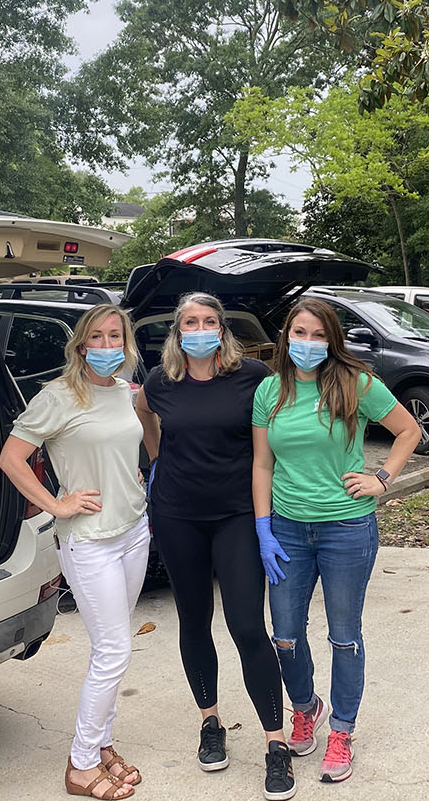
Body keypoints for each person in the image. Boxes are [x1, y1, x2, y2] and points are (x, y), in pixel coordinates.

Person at [251, 296, 422, 785]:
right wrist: (263, 527)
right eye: (299, 333)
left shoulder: (355, 383)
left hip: (346, 527)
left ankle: (342, 730)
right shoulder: (270, 390)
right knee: (284, 632)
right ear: (286, 337)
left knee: (344, 636)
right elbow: (262, 464)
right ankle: (306, 706)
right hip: (286, 528)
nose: (308, 343)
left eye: (318, 334)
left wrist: (383, 478)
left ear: (332, 339)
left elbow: (408, 431)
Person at [134, 291, 296, 801]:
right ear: (178, 333)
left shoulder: (252, 376)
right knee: (194, 620)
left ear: (221, 330)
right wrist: (160, 462)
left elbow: (279, 432)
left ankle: (276, 743)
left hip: (237, 514)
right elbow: (144, 415)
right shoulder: (161, 381)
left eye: (208, 321)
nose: (199, 329)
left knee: (248, 626)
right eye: (190, 322)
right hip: (177, 513)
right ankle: (210, 722)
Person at [0, 304, 149, 801]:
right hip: (89, 542)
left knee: (114, 645)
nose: (107, 347)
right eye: (96, 338)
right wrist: (55, 506)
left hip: (134, 532)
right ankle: (81, 764)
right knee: (114, 652)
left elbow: (146, 443)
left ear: (126, 344)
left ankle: (101, 745)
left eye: (116, 337)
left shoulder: (127, 394)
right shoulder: (58, 397)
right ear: (80, 345)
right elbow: (11, 458)